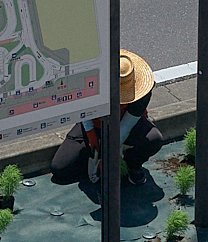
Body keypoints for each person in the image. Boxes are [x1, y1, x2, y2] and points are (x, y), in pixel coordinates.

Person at [51, 50, 167, 188]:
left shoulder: (143, 90)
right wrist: (93, 141)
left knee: (154, 139)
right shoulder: (90, 83)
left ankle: (132, 164)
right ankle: (90, 162)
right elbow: (83, 112)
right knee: (59, 168)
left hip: (124, 124)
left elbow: (126, 126)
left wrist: (107, 154)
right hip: (94, 125)